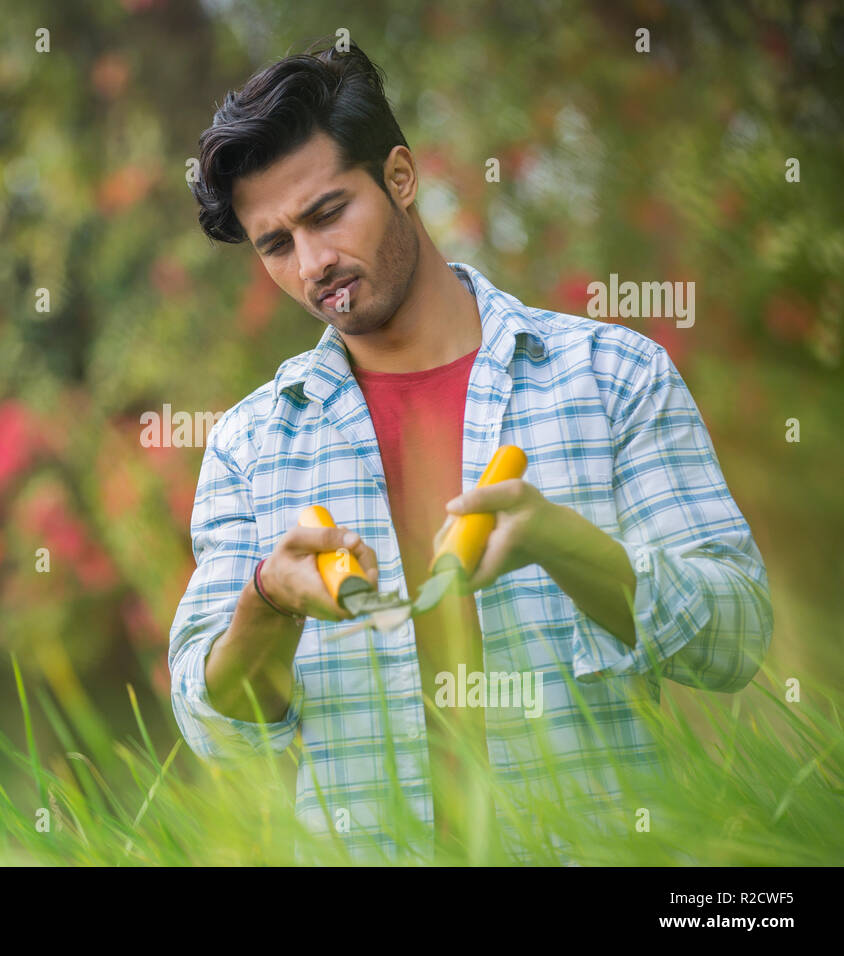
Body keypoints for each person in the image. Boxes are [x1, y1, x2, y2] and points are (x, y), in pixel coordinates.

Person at [168, 39, 774, 864]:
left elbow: (735, 638)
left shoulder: (610, 376)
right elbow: (217, 732)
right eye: (276, 244)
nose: (313, 265)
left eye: (327, 214)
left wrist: (567, 547)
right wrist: (268, 602)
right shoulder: (252, 445)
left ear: (402, 177)